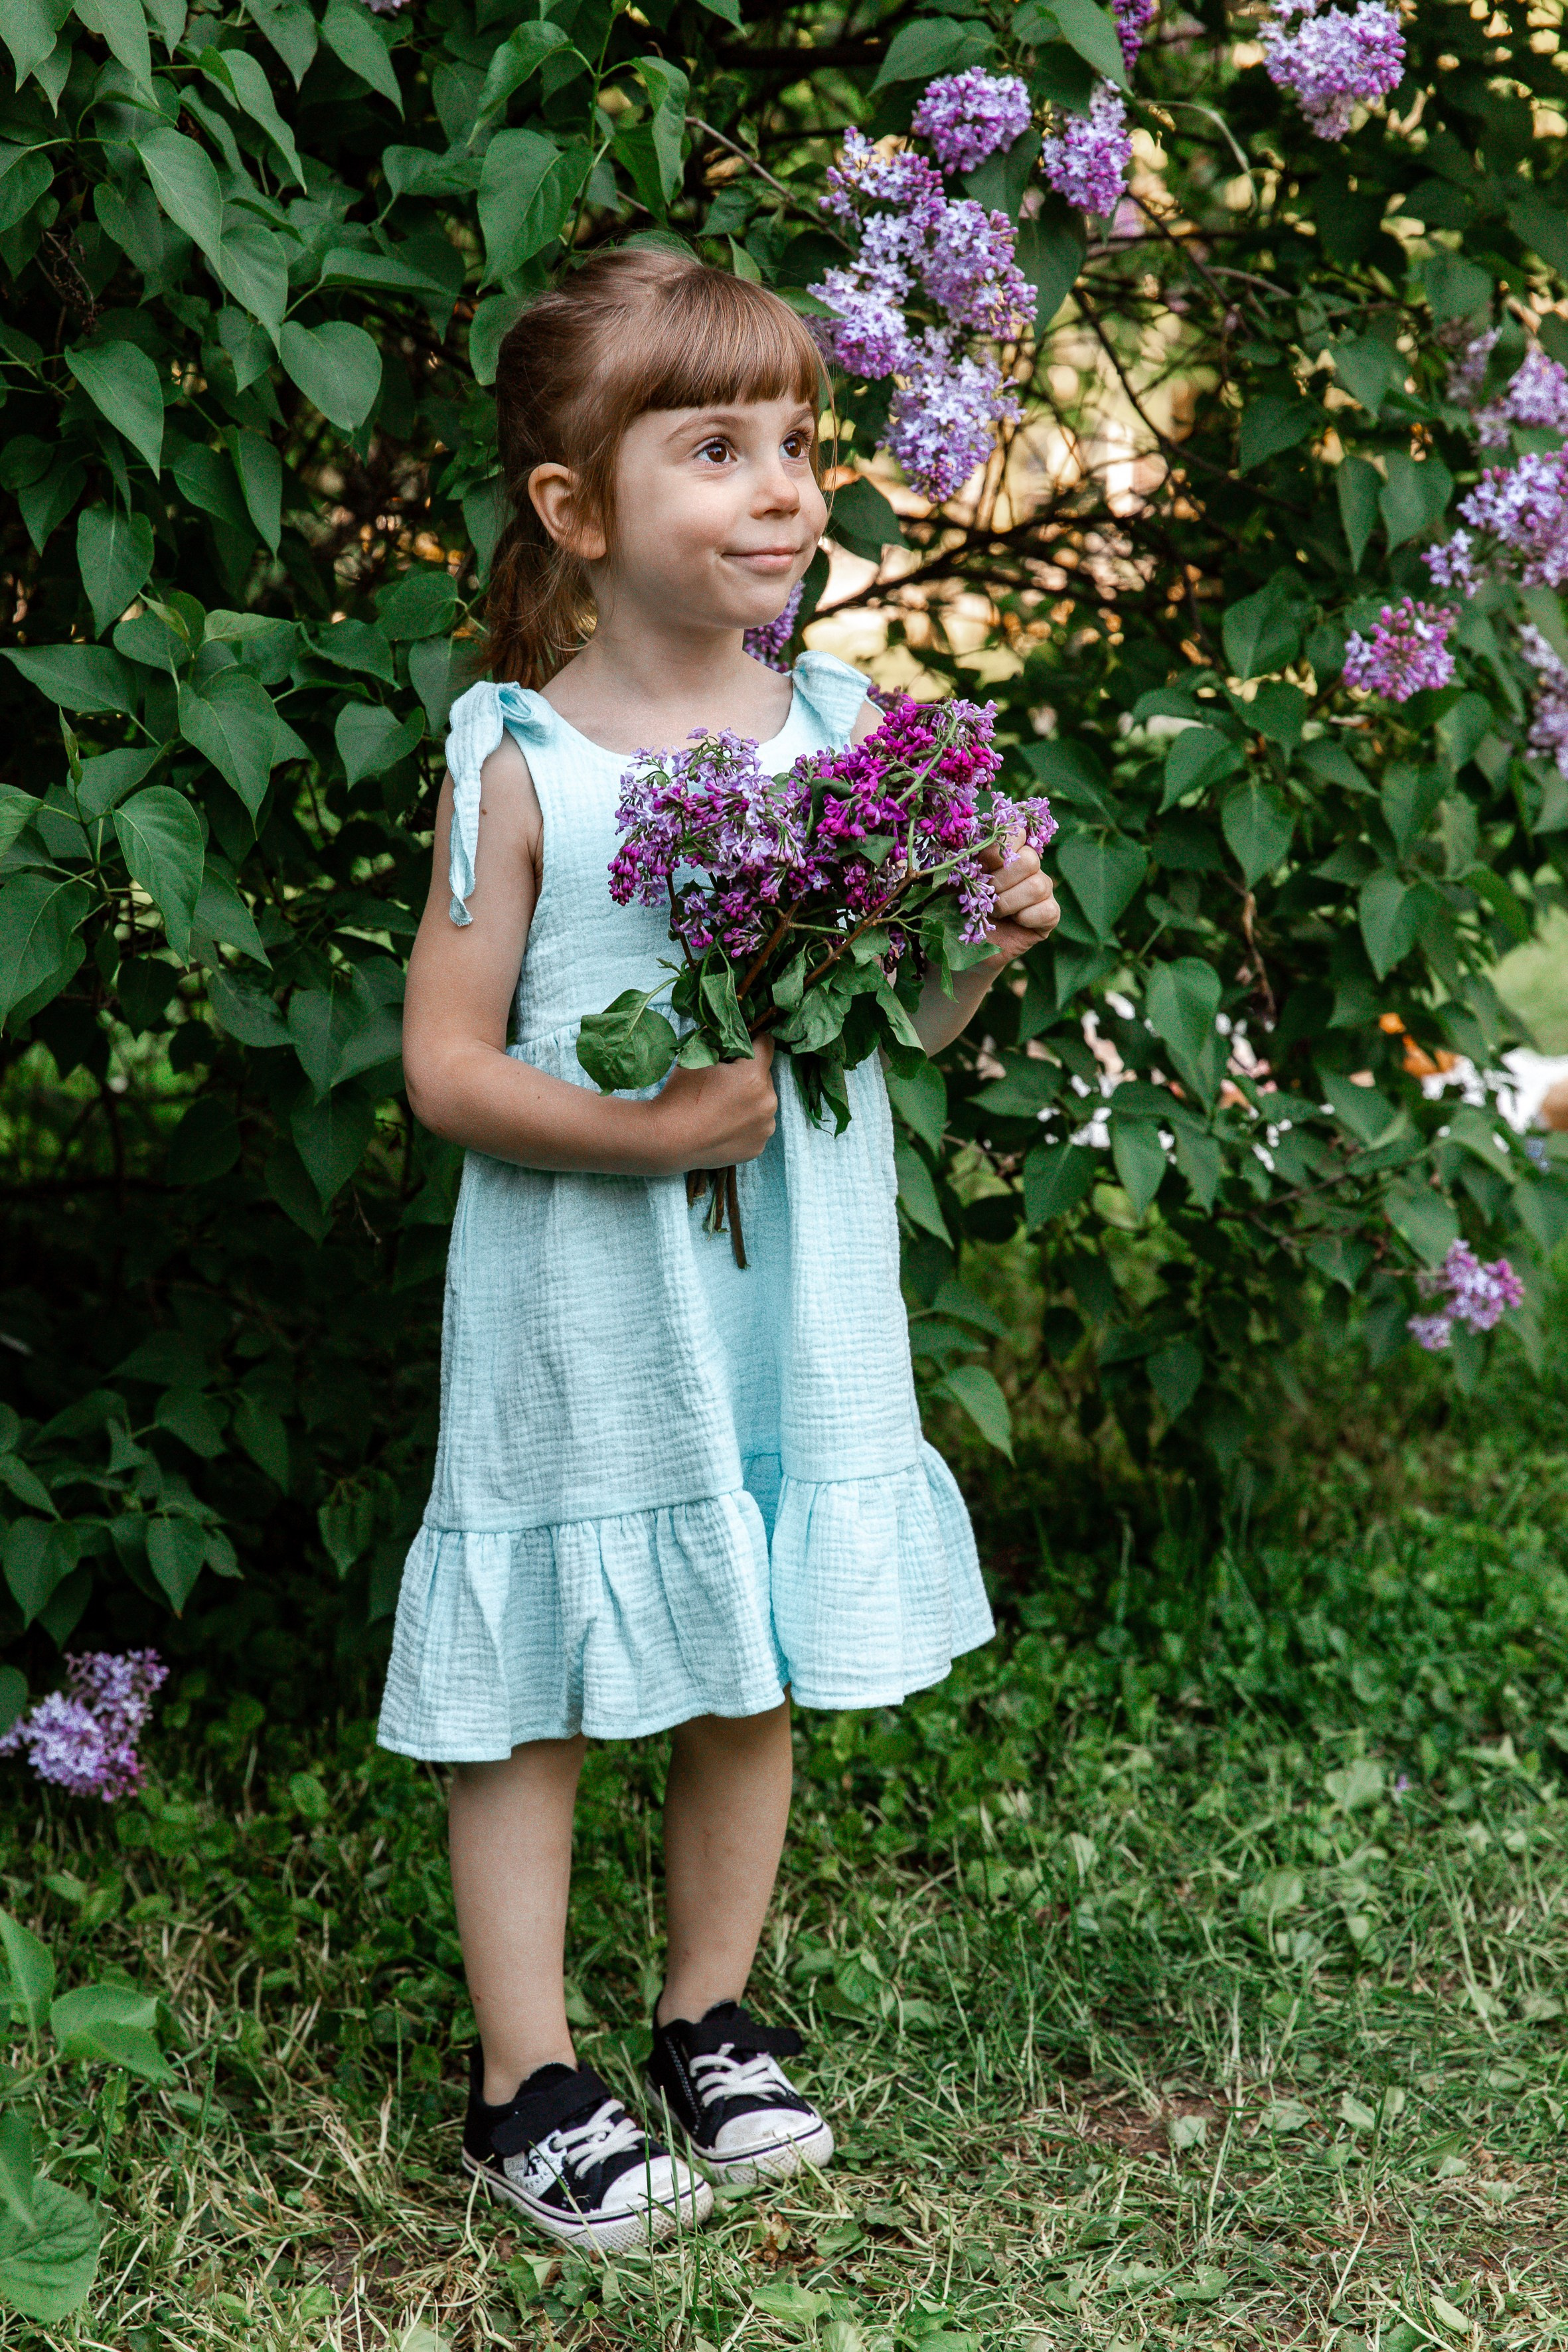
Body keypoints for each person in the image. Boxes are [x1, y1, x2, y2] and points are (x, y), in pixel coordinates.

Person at [379, 248, 1060, 2253]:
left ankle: (704, 2016)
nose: (783, 489)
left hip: (787, 1281)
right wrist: (642, 1130)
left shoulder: (838, 726)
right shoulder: (522, 759)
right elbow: (440, 1065)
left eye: (799, 443)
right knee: (539, 1678)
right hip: (587, 1291)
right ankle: (527, 2079)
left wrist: (977, 952)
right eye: (716, 448)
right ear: (576, 511)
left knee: (741, 1633)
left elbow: (876, 1038)